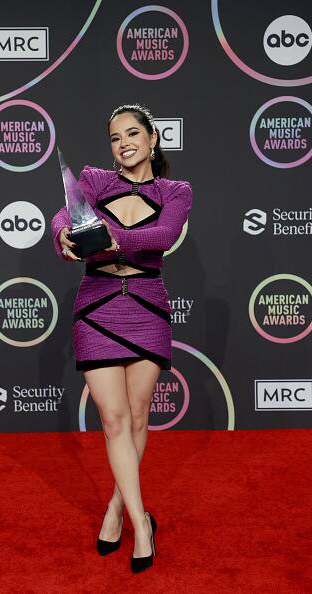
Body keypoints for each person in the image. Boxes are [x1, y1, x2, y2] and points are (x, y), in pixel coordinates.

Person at [51, 103, 192, 573]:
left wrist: (109, 238)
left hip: (148, 310)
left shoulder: (176, 191)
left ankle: (114, 509)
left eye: (133, 133)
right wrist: (66, 235)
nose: (125, 142)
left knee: (135, 419)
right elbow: (64, 214)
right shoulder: (96, 180)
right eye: (115, 137)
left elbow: (165, 234)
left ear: (153, 139)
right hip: (96, 309)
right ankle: (141, 523)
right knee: (112, 421)